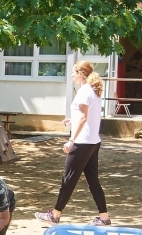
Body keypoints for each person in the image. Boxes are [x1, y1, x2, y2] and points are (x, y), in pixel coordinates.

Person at [35, 61, 110, 226]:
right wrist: (72, 119)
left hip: (82, 142)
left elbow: (84, 117)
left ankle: (55, 214)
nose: (71, 75)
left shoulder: (84, 91)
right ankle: (104, 218)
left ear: (81, 73)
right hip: (93, 142)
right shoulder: (93, 90)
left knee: (68, 179)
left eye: (73, 72)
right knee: (93, 180)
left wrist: (71, 140)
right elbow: (87, 115)